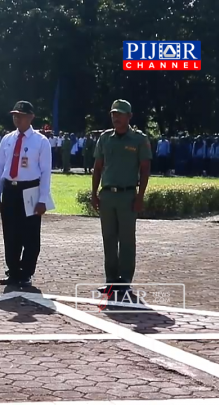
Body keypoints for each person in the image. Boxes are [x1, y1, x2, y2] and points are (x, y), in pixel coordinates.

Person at [91, 99, 151, 295]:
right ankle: (111, 279)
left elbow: (145, 170)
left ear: (129, 117)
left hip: (127, 195)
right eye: (113, 114)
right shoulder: (105, 138)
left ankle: (124, 279)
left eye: (120, 114)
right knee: (108, 238)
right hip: (107, 194)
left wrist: (140, 196)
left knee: (126, 239)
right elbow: (98, 167)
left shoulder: (139, 139)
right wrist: (94, 193)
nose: (115, 117)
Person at [0, 101, 54, 288]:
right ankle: (13, 270)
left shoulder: (41, 141)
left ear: (30, 117)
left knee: (30, 233)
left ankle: (26, 272)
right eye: (14, 115)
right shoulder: (7, 139)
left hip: (31, 188)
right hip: (10, 189)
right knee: (10, 232)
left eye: (20, 115)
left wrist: (43, 199)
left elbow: (45, 172)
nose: (16, 118)